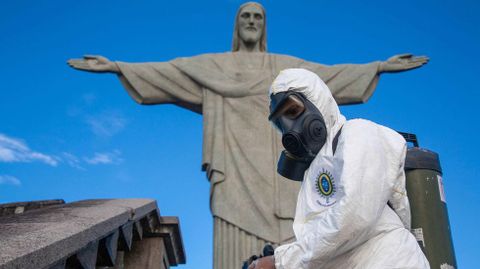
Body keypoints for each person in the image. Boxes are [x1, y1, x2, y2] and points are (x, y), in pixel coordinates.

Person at [67, 2, 428, 268]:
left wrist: (378, 67)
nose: (252, 22)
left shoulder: (354, 134)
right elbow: (170, 73)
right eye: (245, 16)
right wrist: (118, 67)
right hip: (236, 171)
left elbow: (329, 76)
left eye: (258, 16)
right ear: (237, 25)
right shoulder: (214, 67)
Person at [249, 68, 429, 269]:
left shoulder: (358, 132)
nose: (289, 129)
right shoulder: (312, 176)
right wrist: (285, 255)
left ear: (315, 101)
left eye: (292, 112)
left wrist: (280, 262)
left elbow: (354, 216)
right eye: (280, 124)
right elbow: (327, 244)